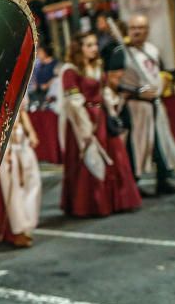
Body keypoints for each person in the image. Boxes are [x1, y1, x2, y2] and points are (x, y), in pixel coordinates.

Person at [59, 32, 142, 217]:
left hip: (102, 117)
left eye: (95, 44)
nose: (94, 48)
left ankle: (117, 201)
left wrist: (112, 111)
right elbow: (73, 101)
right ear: (79, 48)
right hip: (83, 121)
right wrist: (86, 128)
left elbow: (104, 90)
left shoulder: (97, 66)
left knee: (116, 156)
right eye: (89, 45)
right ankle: (92, 204)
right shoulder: (70, 70)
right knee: (89, 159)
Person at [107, 14, 175, 196]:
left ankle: (163, 181)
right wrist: (136, 92)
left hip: (154, 104)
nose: (137, 32)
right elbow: (112, 80)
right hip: (135, 107)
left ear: (147, 30)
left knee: (160, 142)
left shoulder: (152, 50)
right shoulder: (121, 52)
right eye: (133, 28)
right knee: (137, 146)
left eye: (141, 28)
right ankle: (134, 184)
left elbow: (162, 72)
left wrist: (162, 85)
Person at [0, 105, 42, 247]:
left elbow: (21, 109)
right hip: (6, 141)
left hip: (21, 141)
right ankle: (17, 231)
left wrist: (31, 132)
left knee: (31, 185)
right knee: (13, 190)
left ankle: (26, 226)